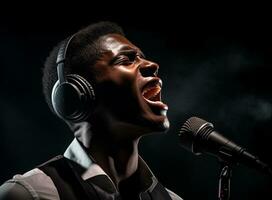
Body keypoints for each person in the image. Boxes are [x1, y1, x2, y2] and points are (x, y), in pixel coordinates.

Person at [0, 21, 182, 200]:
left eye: (142, 57)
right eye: (126, 60)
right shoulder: (27, 194)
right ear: (76, 95)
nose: (152, 65)